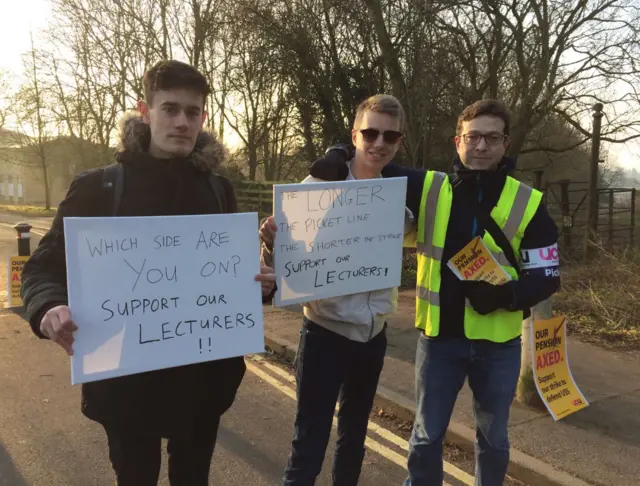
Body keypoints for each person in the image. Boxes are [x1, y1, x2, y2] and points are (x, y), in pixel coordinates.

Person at [20, 60, 276, 486]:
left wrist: (260, 286)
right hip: (127, 389)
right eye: (169, 109)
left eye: (192, 112)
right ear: (145, 110)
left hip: (203, 386)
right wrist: (47, 306)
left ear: (203, 118)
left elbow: (234, 280)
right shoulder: (98, 188)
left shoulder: (218, 189)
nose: (181, 122)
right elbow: (42, 267)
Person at [309, 99, 561, 486]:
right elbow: (373, 156)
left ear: (505, 144)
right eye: (473, 137)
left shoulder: (529, 202)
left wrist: (505, 296)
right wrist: (336, 153)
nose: (481, 147)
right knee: (426, 438)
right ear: (457, 141)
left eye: (492, 138)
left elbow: (546, 276)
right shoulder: (428, 187)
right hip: (439, 341)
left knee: (493, 441)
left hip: (498, 345)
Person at [260, 94, 419, 485]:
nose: (379, 143)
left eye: (390, 135)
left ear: (399, 141)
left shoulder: (397, 195)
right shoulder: (319, 182)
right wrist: (269, 241)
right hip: (325, 334)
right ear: (355, 134)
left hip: (373, 336)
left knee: (354, 440)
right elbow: (287, 254)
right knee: (309, 444)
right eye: (370, 132)